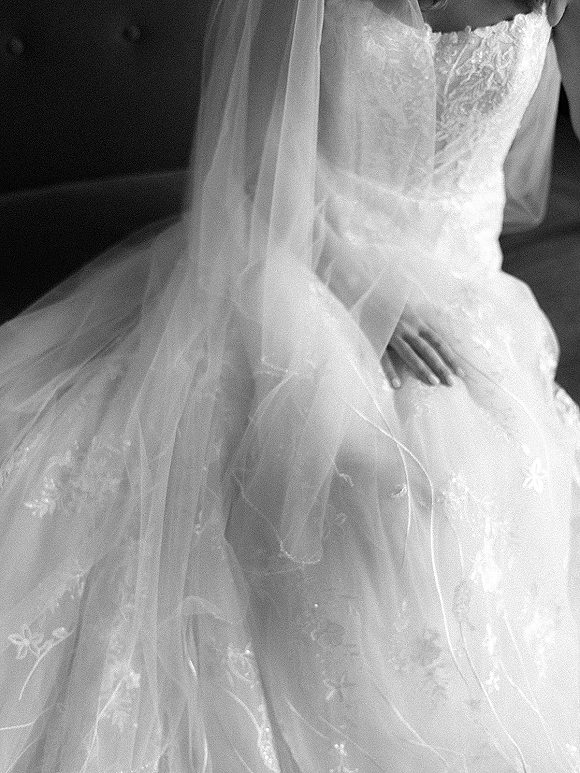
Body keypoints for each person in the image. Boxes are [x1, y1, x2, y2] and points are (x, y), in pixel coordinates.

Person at [0, 0, 579, 770]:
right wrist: (366, 295)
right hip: (306, 256)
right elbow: (250, 167)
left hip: (467, 282)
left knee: (493, 460)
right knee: (386, 468)